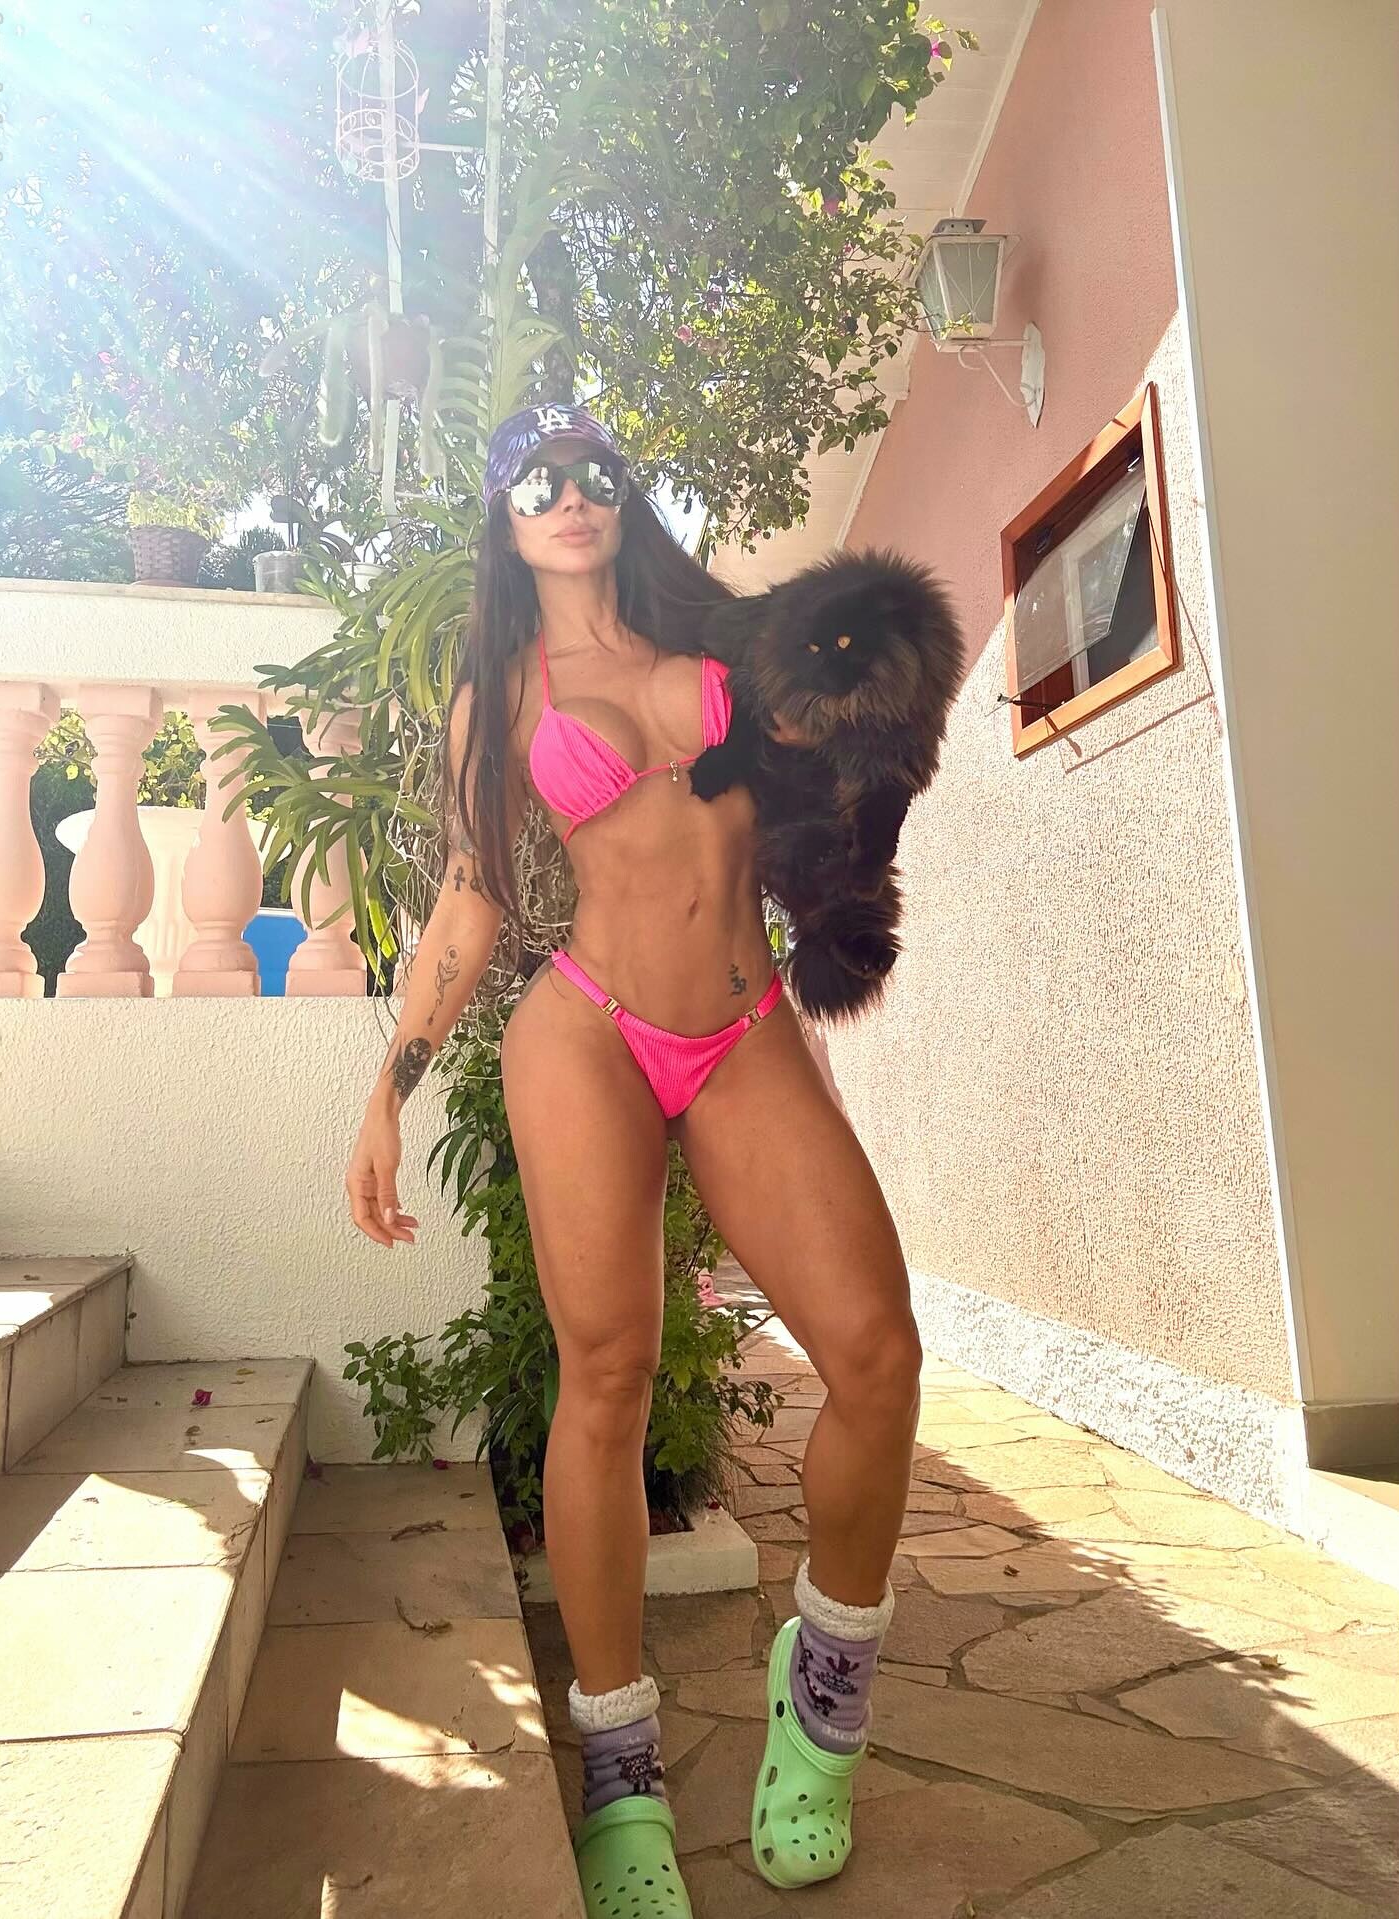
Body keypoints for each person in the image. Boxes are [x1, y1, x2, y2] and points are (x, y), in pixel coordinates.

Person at [346, 403, 922, 1911]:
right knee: (604, 1375)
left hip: (742, 1025)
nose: (569, 496)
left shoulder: (723, 633)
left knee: (876, 1356)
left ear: (623, 493)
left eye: (593, 471)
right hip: (587, 1028)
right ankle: (619, 1776)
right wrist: (390, 1085)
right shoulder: (497, 696)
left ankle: (826, 1697)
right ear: (504, 517)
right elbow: (472, 897)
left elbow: (852, 732)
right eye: (534, 480)